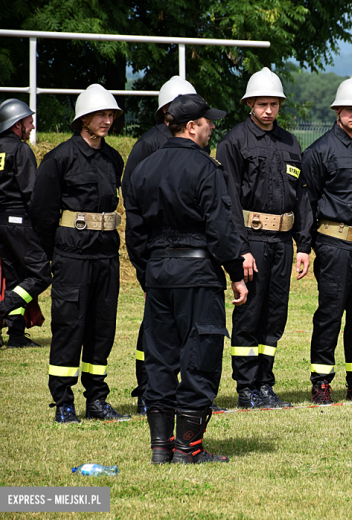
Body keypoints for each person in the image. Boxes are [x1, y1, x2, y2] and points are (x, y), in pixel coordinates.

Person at [125, 93, 247, 464]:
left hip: (159, 273)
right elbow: (221, 229)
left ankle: (160, 449)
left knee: (160, 359)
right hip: (198, 275)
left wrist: (149, 274)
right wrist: (236, 274)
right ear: (191, 126)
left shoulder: (143, 168)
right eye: (208, 121)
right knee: (200, 356)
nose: (212, 126)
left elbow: (135, 232)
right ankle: (188, 449)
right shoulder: (207, 169)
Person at [31, 84, 130, 424]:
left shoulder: (113, 158)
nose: (107, 120)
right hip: (71, 258)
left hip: (106, 257)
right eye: (101, 114)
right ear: (83, 118)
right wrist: (50, 256)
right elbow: (42, 214)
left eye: (111, 115)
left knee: (102, 329)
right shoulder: (59, 158)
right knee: (69, 328)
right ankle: (63, 402)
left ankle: (97, 399)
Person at [216, 68, 311, 410]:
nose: (269, 110)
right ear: (250, 104)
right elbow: (227, 202)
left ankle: (265, 384)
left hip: (283, 243)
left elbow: (301, 197)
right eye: (262, 104)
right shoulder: (233, 143)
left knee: (275, 315)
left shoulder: (290, 143)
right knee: (249, 315)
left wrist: (304, 245)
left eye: (274, 104)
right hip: (251, 241)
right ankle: (246, 387)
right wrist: (240, 250)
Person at [300, 75, 352, 404]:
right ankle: (321, 381)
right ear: (337, 110)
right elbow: (307, 205)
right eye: (350, 109)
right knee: (330, 313)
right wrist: (304, 248)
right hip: (334, 245)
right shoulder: (319, 151)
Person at [122, 76, 198, 415]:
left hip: (182, 254)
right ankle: (146, 391)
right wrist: (142, 266)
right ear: (167, 110)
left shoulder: (190, 142)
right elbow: (134, 201)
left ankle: (168, 392)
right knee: (153, 331)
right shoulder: (150, 145)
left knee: (178, 327)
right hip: (158, 253)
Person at [0, 99, 51, 348]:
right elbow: (32, 193)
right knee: (41, 275)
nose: (32, 126)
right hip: (19, 221)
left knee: (15, 278)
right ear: (17, 124)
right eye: (29, 121)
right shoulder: (21, 151)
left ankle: (15, 335)